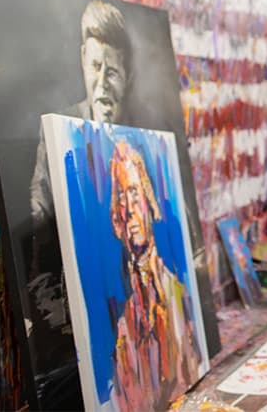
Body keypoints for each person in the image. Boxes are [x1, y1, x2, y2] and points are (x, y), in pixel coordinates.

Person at [26, 0, 134, 404]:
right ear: (81, 65)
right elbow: (37, 246)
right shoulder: (58, 138)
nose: (103, 84)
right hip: (76, 341)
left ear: (130, 74)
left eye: (114, 71)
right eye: (95, 68)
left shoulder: (142, 142)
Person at [107, 140, 203, 410]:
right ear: (116, 221)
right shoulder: (124, 328)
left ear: (150, 203)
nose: (128, 211)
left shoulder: (178, 297)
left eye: (135, 194)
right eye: (122, 198)